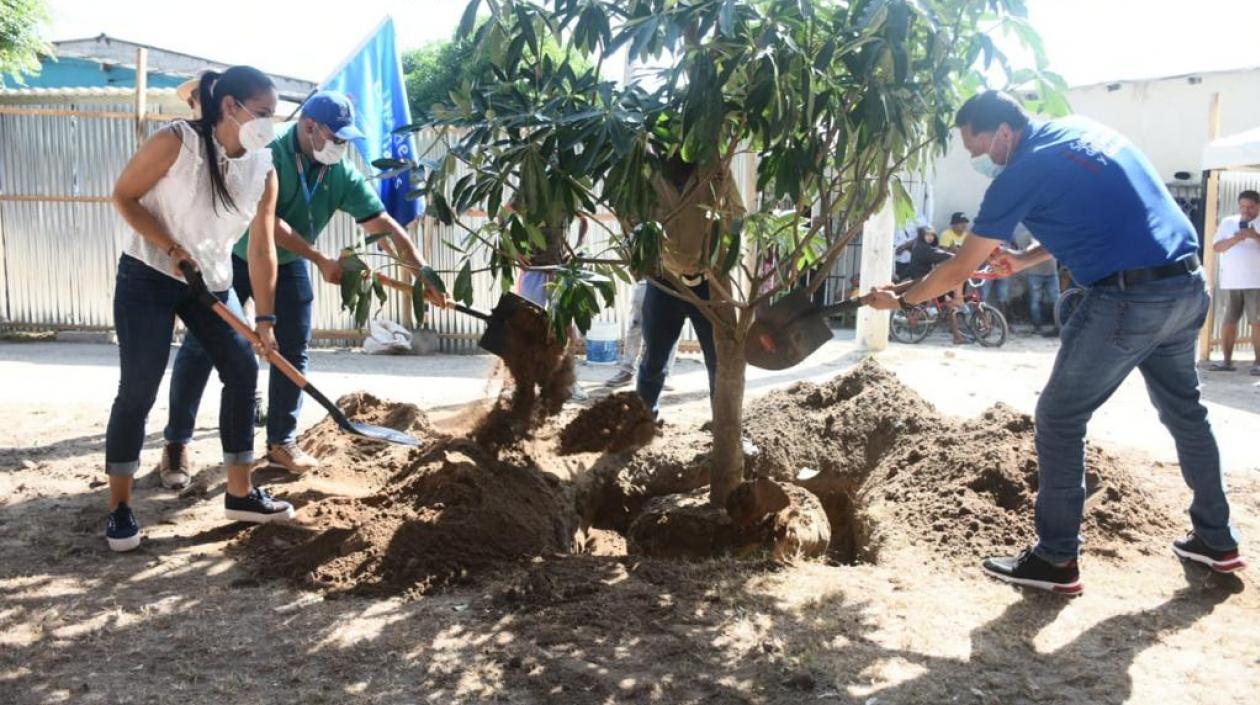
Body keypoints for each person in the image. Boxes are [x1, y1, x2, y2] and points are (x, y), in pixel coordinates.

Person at [871, 90, 1244, 593]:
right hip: (1185, 288)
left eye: (976, 146)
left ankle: (1055, 560)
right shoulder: (1085, 133)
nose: (978, 159)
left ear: (1003, 130)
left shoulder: (1021, 171)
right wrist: (1024, 260)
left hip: (1127, 301)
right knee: (1186, 413)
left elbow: (960, 268)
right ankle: (1217, 540)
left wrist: (902, 301)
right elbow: (1101, 216)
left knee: (1059, 417)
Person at [158, 91, 445, 484]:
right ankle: (176, 443)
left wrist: (421, 275)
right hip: (234, 258)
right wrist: (319, 259)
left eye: (347, 139)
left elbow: (385, 227)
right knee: (203, 346)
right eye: (337, 136)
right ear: (310, 126)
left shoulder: (338, 172)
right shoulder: (267, 155)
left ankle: (282, 441)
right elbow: (269, 224)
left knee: (294, 347)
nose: (342, 146)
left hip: (288, 265)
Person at [105, 66, 291, 552]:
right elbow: (124, 196)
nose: (271, 124)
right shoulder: (177, 142)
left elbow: (262, 248)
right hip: (149, 273)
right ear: (230, 106)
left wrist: (265, 321)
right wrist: (169, 246)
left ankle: (240, 493)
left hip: (210, 279)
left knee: (242, 365)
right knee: (140, 386)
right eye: (265, 113)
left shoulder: (263, 167)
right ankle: (121, 508)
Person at [637, 155, 743, 416]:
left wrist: (721, 215)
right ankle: (642, 419)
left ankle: (725, 427)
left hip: (710, 283)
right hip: (665, 280)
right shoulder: (648, 174)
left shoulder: (716, 173)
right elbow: (632, 218)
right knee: (653, 359)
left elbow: (737, 217)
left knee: (720, 360)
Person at [1207, 190, 1260, 374]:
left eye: (1251, 207)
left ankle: (1258, 364)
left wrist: (1255, 236)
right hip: (1231, 281)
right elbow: (1216, 247)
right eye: (1243, 206)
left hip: (1257, 282)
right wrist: (1236, 238)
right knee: (1229, 321)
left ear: (1258, 206)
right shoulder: (1228, 222)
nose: (1246, 210)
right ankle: (1226, 362)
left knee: (1257, 322)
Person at [605, 278, 677, 389]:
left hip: (673, 282)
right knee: (636, 325)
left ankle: (665, 373)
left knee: (670, 327)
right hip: (647, 280)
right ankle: (627, 370)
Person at [906, 226, 966, 345]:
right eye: (927, 235)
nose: (930, 237)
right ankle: (957, 337)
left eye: (932, 235)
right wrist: (956, 257)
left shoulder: (922, 246)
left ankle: (956, 335)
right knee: (949, 304)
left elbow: (937, 255)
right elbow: (938, 255)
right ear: (922, 235)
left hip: (926, 279)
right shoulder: (922, 248)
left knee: (946, 303)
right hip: (922, 281)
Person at [1014, 223, 1061, 336]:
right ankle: (1037, 326)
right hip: (1036, 273)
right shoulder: (1028, 236)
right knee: (1035, 301)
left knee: (1056, 301)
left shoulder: (1053, 233)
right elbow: (1027, 249)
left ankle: (1058, 326)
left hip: (1051, 272)